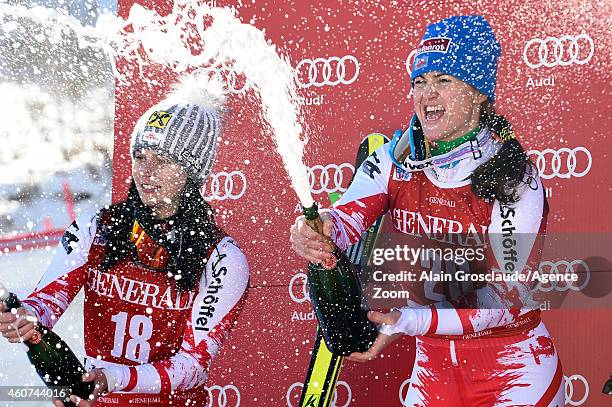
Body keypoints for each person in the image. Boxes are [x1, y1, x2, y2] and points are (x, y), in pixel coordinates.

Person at [291, 15, 565, 406]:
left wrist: (410, 319)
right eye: (420, 82)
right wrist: (316, 231)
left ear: (479, 92)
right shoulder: (394, 159)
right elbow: (344, 223)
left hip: (516, 375)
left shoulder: (513, 176)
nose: (427, 95)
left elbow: (501, 301)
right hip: (432, 376)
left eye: (444, 81)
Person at [0, 76, 250, 406]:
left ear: (192, 171)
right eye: (141, 157)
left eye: (163, 160)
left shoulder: (223, 259)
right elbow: (44, 305)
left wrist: (113, 378)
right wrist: (23, 317)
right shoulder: (95, 228)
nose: (146, 172)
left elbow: (192, 367)